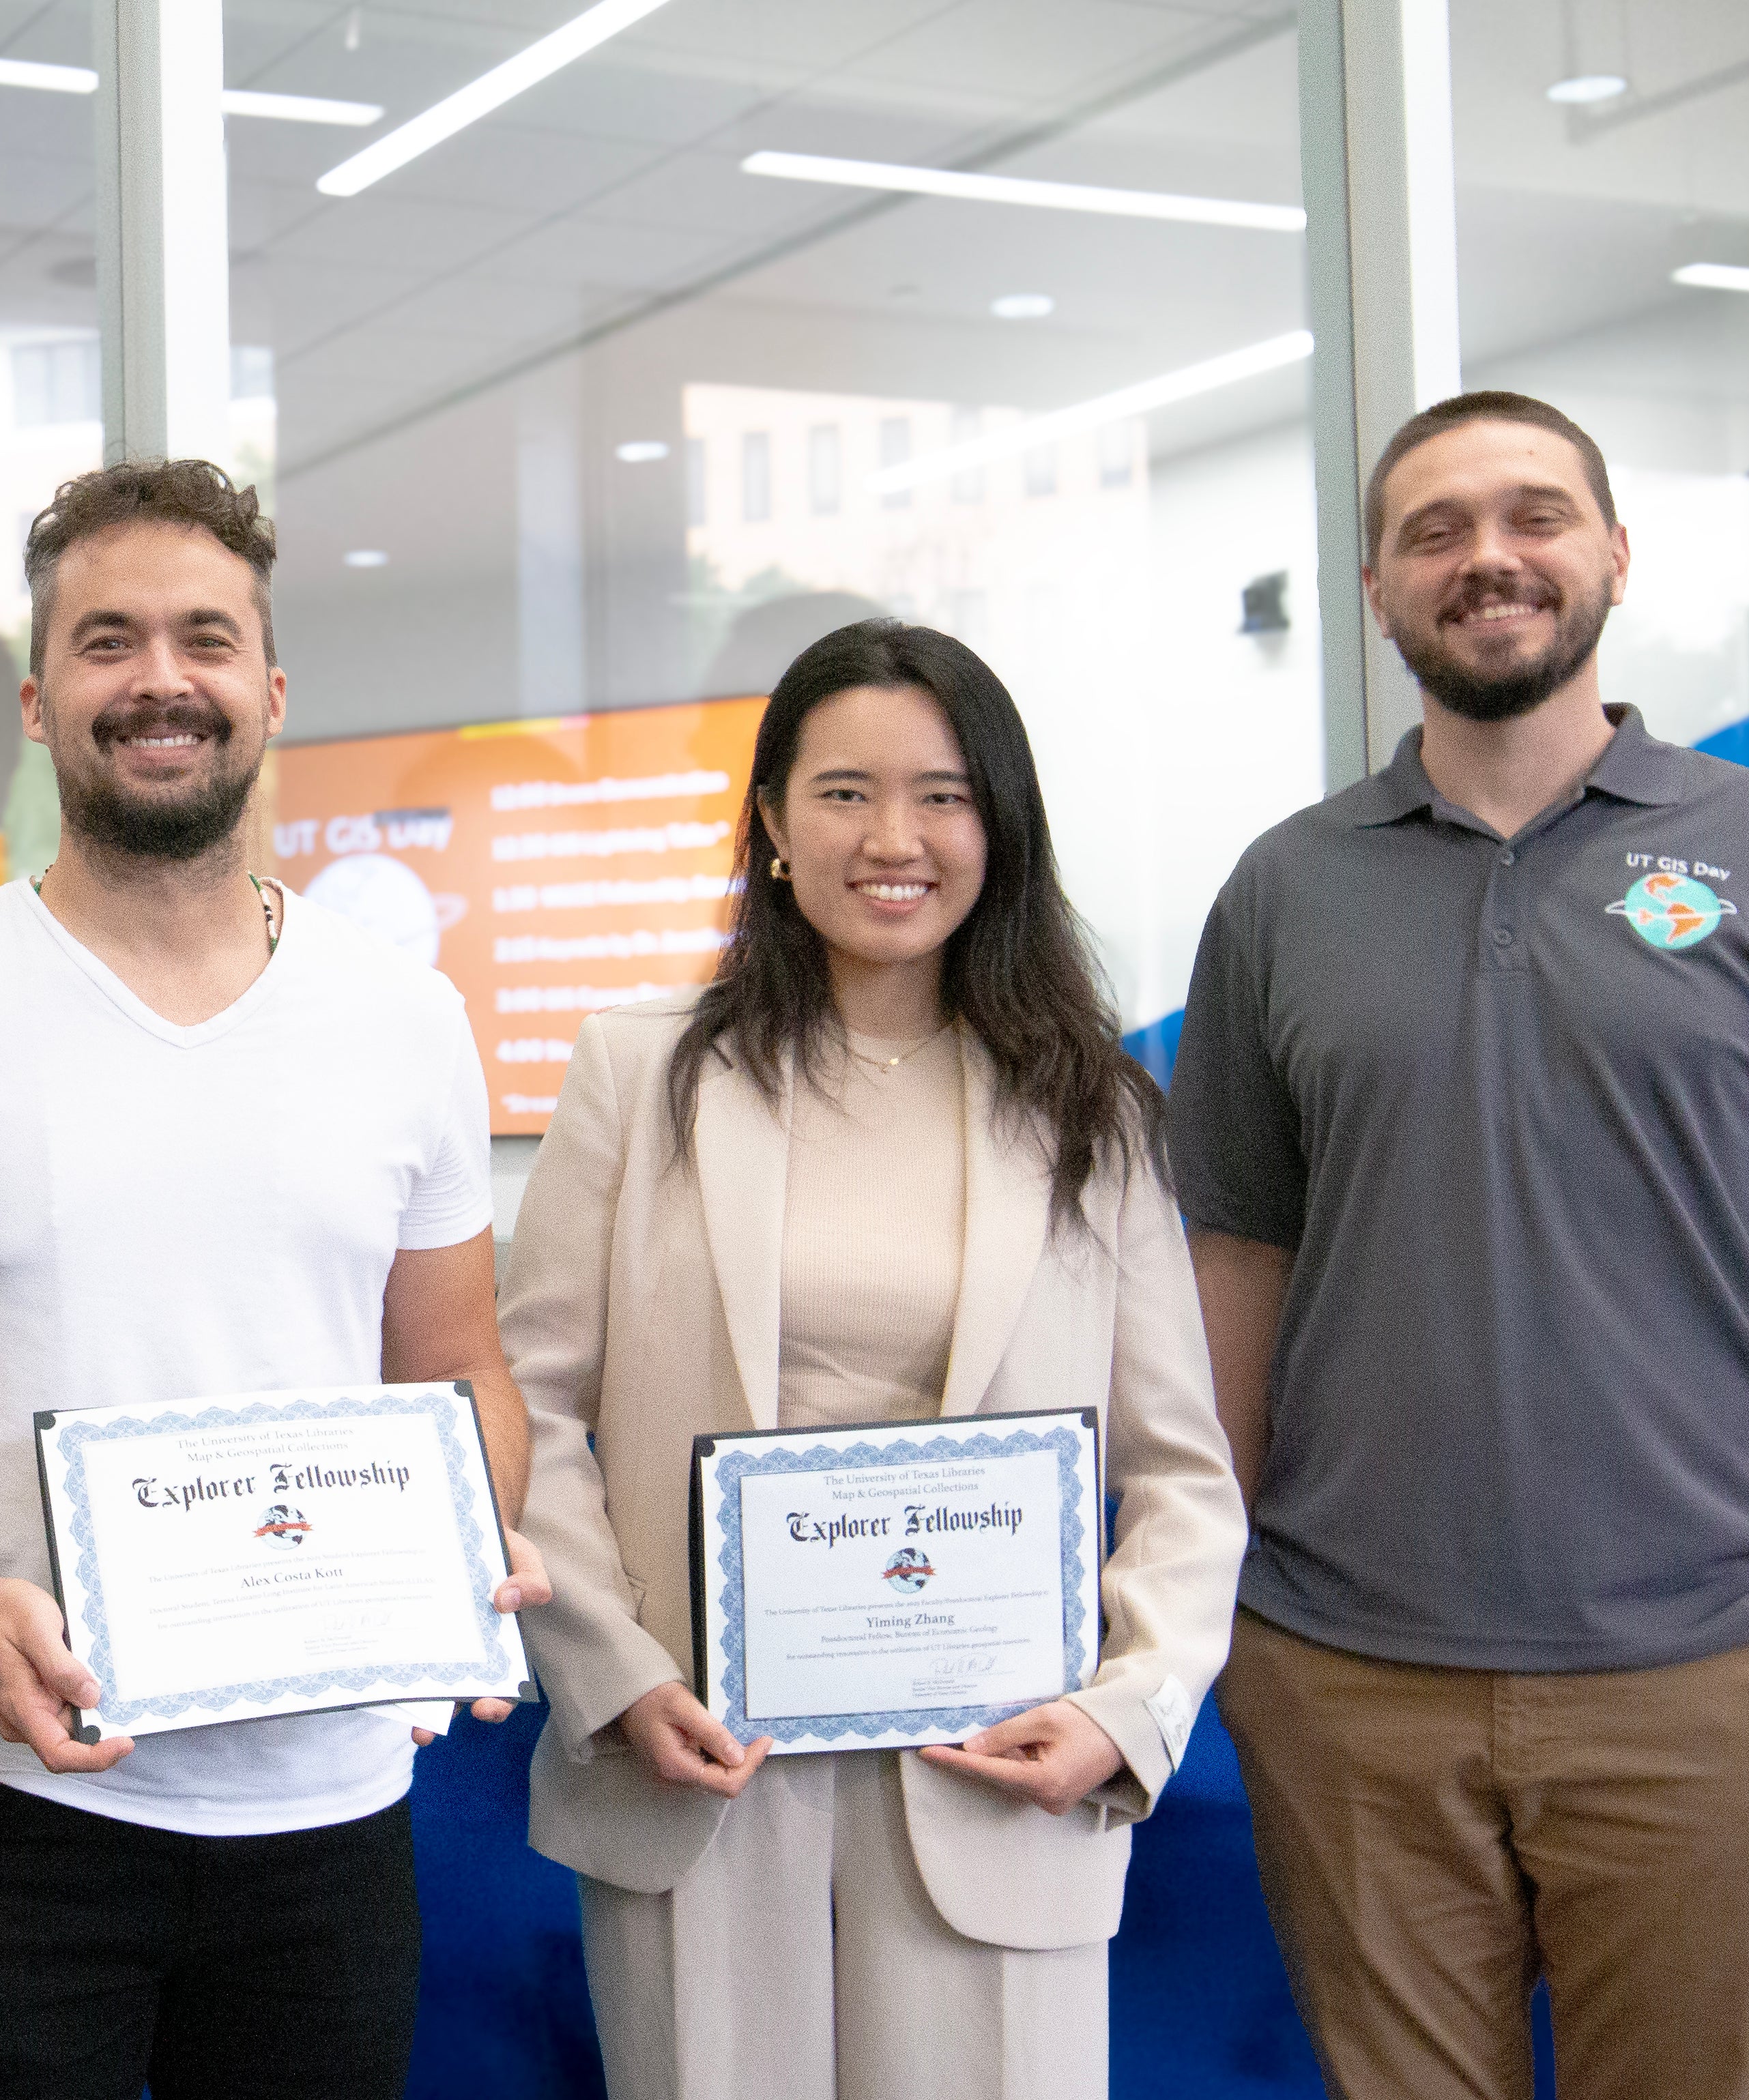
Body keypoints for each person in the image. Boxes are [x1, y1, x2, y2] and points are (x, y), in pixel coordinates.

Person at [1168, 390, 1749, 2100]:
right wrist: (1216, 1600)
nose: (1490, 559)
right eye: (1437, 531)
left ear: (1613, 556)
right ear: (1379, 589)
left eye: (1534, 515)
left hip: (1706, 1675)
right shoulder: (1284, 894)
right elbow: (1239, 1259)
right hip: (1350, 1683)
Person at [0, 458, 551, 2100]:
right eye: (109, 643)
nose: (160, 680)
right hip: (5, 1800)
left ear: (269, 689)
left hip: (325, 1809)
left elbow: (458, 1367)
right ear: (43, 702)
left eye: (204, 639)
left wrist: (468, 1541)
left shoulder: (402, 1017)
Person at [499, 619, 1244, 2099]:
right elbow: (530, 1410)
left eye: (944, 795)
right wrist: (614, 1673)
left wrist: (1127, 1706)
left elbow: (1180, 1472)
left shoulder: (1088, 1105)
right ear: (771, 823)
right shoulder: (641, 1071)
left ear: (1000, 827)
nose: (893, 838)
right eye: (843, 793)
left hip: (999, 1776)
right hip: (697, 1766)